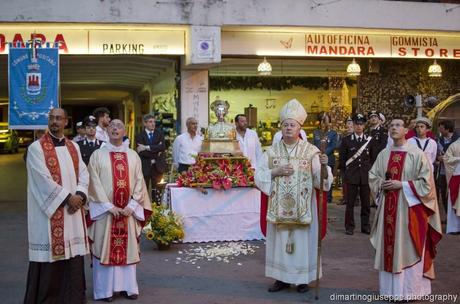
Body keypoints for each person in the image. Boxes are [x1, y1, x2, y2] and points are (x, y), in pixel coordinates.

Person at [255, 98, 332, 293]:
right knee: (279, 244)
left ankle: (303, 279)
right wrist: (276, 171)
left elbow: (321, 181)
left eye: (293, 125)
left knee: (303, 243)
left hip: (303, 208)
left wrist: (324, 165)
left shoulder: (311, 151)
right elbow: (258, 175)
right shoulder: (272, 152)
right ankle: (281, 279)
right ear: (281, 128)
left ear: (300, 128)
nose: (289, 128)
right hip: (279, 209)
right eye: (285, 125)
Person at [369, 118, 442, 300]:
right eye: (391, 126)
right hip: (389, 210)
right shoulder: (384, 154)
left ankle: (411, 291)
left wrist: (401, 185)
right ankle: (390, 291)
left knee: (409, 246)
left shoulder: (417, 154)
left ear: (406, 130)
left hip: (410, 211)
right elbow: (373, 176)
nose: (394, 128)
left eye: (398, 125)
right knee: (390, 248)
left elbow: (427, 184)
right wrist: (382, 184)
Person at [24, 108, 89, 303]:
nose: (54, 122)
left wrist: (80, 194)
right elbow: (41, 180)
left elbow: (83, 174)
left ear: (66, 122)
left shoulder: (73, 147)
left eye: (59, 118)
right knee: (51, 259)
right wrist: (68, 198)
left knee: (73, 258)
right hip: (51, 214)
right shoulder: (36, 148)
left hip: (73, 211)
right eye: (51, 118)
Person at [87, 119, 152, 302]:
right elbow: (93, 182)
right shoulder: (97, 155)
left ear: (125, 131)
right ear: (106, 130)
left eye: (119, 126)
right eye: (111, 126)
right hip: (106, 213)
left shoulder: (133, 155)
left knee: (128, 248)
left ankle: (128, 288)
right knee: (104, 247)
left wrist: (132, 206)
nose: (115, 128)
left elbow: (140, 181)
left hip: (127, 213)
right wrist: (109, 206)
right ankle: (105, 291)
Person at [339, 113, 374, 235]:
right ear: (353, 125)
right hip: (351, 176)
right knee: (350, 204)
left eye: (361, 124)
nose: (359, 126)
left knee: (366, 204)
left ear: (364, 125)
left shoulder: (369, 140)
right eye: (356, 124)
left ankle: (365, 226)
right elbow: (342, 160)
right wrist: (345, 176)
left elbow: (372, 159)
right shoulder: (346, 140)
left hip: (365, 176)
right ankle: (349, 227)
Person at [135, 114, 167, 201]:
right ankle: (145, 209)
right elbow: (142, 152)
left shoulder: (159, 134)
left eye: (154, 122)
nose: (153, 124)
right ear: (145, 124)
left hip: (158, 166)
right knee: (143, 189)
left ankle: (158, 209)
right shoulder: (139, 135)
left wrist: (146, 147)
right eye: (150, 122)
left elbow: (163, 147)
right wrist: (157, 151)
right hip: (145, 166)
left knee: (157, 190)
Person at [313, 112, 338, 203]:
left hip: (329, 158)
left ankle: (328, 197)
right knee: (318, 176)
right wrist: (317, 154)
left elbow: (333, 145)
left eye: (325, 120)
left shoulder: (333, 133)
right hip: (317, 158)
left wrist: (323, 153)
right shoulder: (316, 132)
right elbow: (314, 144)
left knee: (328, 176)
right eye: (322, 120)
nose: (323, 123)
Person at [436, 120, 459, 214]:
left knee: (455, 194)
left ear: (447, 129)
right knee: (444, 194)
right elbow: (437, 155)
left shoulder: (457, 140)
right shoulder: (439, 140)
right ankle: (447, 215)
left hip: (455, 173)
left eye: (441, 128)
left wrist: (446, 158)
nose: (439, 130)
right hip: (443, 171)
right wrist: (439, 158)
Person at [444, 137, 460, 234]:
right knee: (454, 201)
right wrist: (458, 159)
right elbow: (446, 158)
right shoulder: (454, 145)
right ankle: (455, 228)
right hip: (457, 177)